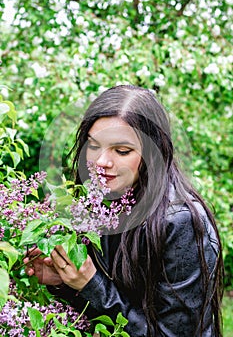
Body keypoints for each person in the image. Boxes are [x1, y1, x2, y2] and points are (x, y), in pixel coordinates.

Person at [24, 85, 224, 336]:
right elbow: (109, 306)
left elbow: (173, 332)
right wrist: (66, 281)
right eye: (94, 146)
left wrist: (91, 285)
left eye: (122, 151)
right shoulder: (100, 202)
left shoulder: (181, 221)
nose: (101, 163)